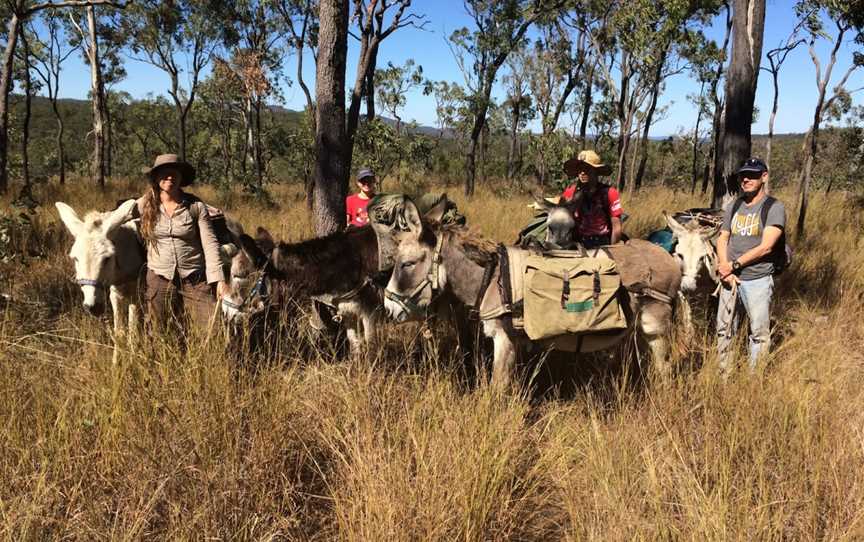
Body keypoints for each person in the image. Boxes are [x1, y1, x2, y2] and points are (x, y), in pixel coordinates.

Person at [134, 153, 225, 334]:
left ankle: (210, 362)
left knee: (212, 330)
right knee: (159, 332)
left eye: (175, 173)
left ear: (181, 178)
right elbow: (118, 217)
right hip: (159, 276)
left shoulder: (195, 206)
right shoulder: (144, 204)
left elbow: (210, 244)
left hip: (194, 277)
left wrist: (219, 279)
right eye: (164, 173)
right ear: (156, 177)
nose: (170, 177)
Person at [715, 157, 786, 375]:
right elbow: (722, 238)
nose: (747, 179)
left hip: (757, 279)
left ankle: (754, 381)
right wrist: (723, 266)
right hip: (729, 279)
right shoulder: (734, 205)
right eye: (743, 175)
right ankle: (723, 377)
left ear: (764, 177)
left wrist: (733, 264)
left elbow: (766, 247)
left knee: (758, 333)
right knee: (724, 330)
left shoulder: (774, 207)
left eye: (753, 175)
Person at [560, 149, 624, 248]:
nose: (582, 173)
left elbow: (617, 227)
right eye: (580, 169)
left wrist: (613, 250)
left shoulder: (609, 193)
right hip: (578, 243)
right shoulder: (570, 193)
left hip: (602, 243)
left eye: (586, 168)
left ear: (596, 171)